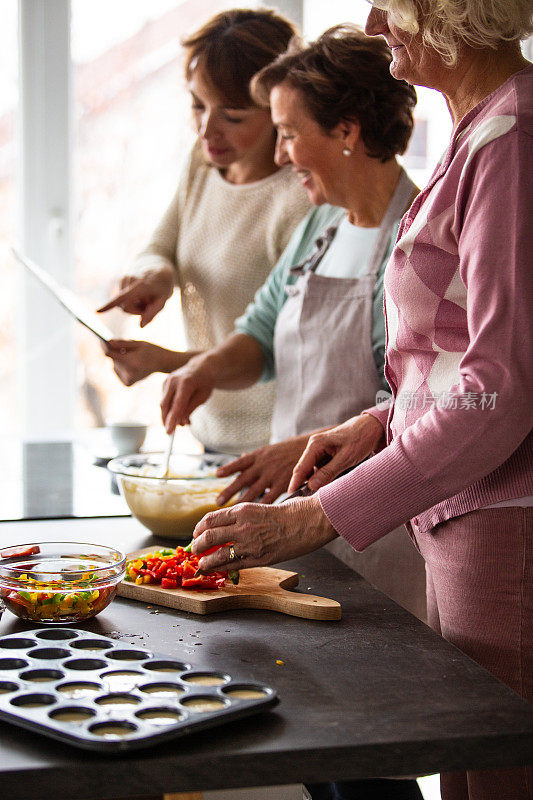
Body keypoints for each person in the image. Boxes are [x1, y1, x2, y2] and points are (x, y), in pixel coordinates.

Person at [188, 3, 533, 800]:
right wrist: (375, 421)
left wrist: (314, 515)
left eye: (395, 2)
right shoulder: (481, 133)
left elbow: (502, 390)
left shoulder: (511, 142)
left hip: (500, 525)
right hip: (454, 515)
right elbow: (459, 363)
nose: (376, 20)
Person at [159, 25, 426, 624]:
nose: (279, 156)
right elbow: (261, 332)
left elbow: (412, 407)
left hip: (378, 532)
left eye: (286, 134)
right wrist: (205, 367)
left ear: (347, 131)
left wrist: (297, 455)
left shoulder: (415, 239)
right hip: (290, 524)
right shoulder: (322, 224)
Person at [98, 8, 310, 455]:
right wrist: (156, 275)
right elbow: (162, 244)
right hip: (212, 432)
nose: (207, 128)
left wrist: (166, 363)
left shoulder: (300, 198)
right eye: (197, 104)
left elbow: (284, 352)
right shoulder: (204, 161)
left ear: (279, 109)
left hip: (278, 445)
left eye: (233, 115)